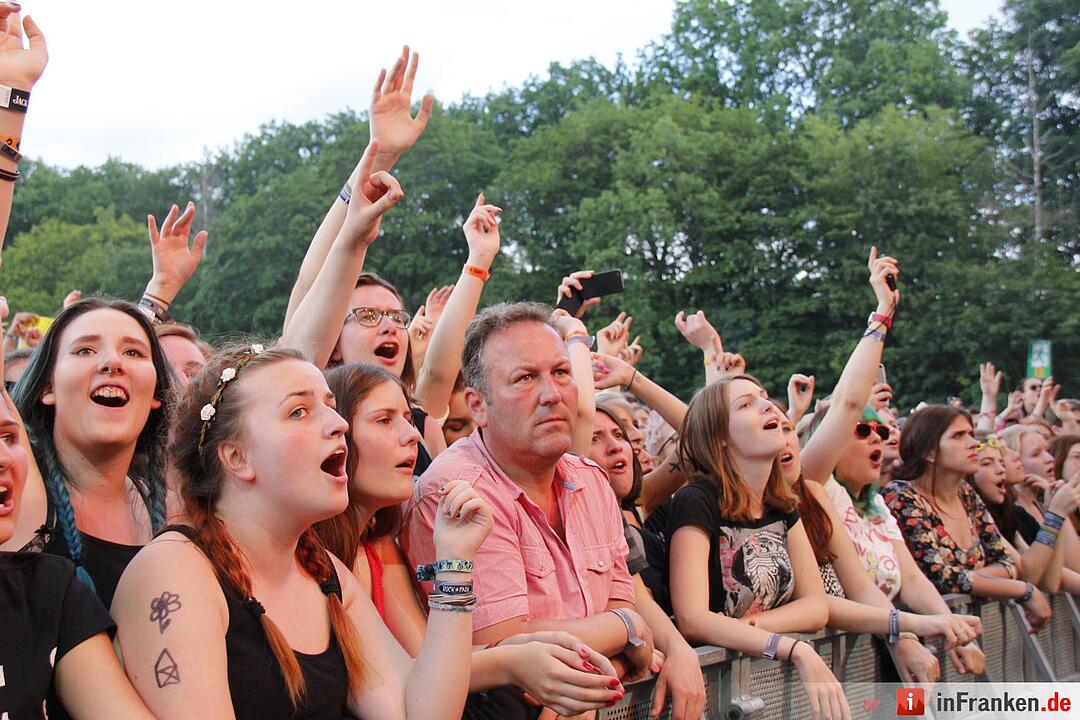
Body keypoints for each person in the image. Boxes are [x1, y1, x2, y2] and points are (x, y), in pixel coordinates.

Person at [112, 344, 492, 719]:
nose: (339, 423)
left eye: (329, 406)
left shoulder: (321, 570)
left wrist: (454, 566)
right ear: (237, 457)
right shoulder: (175, 571)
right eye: (299, 411)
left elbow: (419, 713)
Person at [313, 362, 628, 719]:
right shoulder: (312, 559)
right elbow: (417, 683)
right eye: (384, 420)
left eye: (407, 417)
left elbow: (429, 660)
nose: (412, 435)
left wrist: (558, 667)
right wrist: (513, 660)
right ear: (335, 436)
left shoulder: (377, 545)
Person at [404, 302, 658, 686]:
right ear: (477, 406)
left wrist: (620, 647)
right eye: (525, 378)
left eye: (561, 372)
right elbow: (505, 653)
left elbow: (621, 613)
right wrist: (627, 629)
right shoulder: (456, 493)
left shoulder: (592, 480)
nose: (552, 394)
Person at [665, 374, 850, 719]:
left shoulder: (781, 503)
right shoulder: (696, 500)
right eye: (747, 404)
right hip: (711, 697)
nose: (768, 405)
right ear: (720, 437)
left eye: (765, 397)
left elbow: (815, 606)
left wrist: (753, 627)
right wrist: (793, 648)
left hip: (765, 690)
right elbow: (692, 619)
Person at [3, 298, 174, 608]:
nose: (113, 363)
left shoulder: (171, 510)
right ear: (47, 387)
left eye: (133, 352)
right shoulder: (19, 490)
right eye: (84, 350)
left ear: (155, 395)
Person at [883, 407, 1052, 631]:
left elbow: (1008, 562)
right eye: (958, 436)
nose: (973, 443)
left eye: (971, 434)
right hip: (927, 638)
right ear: (929, 452)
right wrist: (1021, 590)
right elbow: (936, 576)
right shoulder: (901, 496)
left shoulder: (966, 493)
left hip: (971, 634)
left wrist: (964, 579)